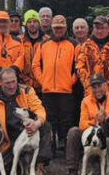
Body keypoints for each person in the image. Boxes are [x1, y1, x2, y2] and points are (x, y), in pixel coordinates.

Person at [0, 67, 50, 175]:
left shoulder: (27, 91)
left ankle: (39, 166)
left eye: (13, 82)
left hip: (29, 131)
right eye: (7, 83)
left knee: (45, 126)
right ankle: (19, 165)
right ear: (0, 82)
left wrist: (37, 123)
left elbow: (39, 109)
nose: (11, 86)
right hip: (9, 140)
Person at [65, 73, 109, 175]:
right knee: (73, 132)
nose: (97, 90)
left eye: (99, 86)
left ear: (106, 85)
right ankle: (72, 170)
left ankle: (100, 168)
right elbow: (82, 124)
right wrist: (97, 121)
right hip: (93, 138)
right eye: (94, 87)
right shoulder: (85, 101)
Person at [33, 15, 78, 153]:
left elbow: (78, 67)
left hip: (66, 91)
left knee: (66, 121)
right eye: (56, 27)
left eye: (61, 27)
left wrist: (70, 82)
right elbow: (35, 65)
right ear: (52, 28)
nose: (58, 30)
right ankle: (50, 149)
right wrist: (43, 81)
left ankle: (66, 149)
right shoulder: (44, 44)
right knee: (49, 121)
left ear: (65, 28)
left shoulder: (73, 44)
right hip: (48, 91)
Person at [75, 16, 109, 91]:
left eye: (102, 28)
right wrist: (89, 85)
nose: (99, 31)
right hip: (91, 91)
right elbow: (80, 67)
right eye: (97, 28)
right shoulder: (86, 46)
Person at [21, 10, 47, 92]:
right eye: (29, 22)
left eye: (35, 21)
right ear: (25, 24)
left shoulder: (47, 40)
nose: (32, 24)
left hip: (43, 84)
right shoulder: (20, 41)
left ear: (39, 23)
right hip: (25, 84)